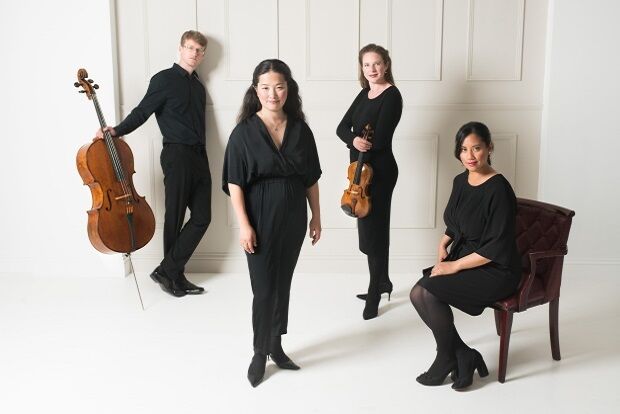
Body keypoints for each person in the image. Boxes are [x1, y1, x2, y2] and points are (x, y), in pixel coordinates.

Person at [222, 59, 322, 387]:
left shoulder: (300, 129)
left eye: (278, 86)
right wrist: (245, 225)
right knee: (263, 289)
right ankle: (258, 351)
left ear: (288, 89)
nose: (272, 93)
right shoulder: (244, 132)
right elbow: (235, 182)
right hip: (259, 216)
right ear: (255, 91)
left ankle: (277, 346)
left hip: (294, 215)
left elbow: (311, 178)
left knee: (282, 284)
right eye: (265, 87)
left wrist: (316, 216)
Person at [97, 30, 211, 297]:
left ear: (203, 55)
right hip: (177, 155)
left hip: (199, 156)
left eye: (199, 50)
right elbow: (142, 111)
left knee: (203, 217)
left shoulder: (199, 87)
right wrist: (116, 130)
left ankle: (168, 270)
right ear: (181, 48)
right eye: (190, 48)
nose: (195, 53)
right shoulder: (164, 80)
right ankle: (174, 275)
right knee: (174, 217)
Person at [410, 122, 521, 390]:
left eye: (477, 148)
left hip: (497, 268)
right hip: (466, 257)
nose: (470, 156)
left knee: (426, 292)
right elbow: (455, 222)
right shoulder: (461, 180)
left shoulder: (499, 189)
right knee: (418, 293)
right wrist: (443, 245)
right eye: (463, 149)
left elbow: (496, 246)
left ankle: (447, 355)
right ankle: (461, 353)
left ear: (490, 148)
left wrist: (454, 267)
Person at [336, 44, 403, 320]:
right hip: (359, 174)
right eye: (366, 65)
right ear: (361, 68)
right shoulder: (364, 94)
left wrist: (364, 141)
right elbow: (341, 128)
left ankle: (375, 292)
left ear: (386, 65)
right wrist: (353, 139)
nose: (372, 69)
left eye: (377, 64)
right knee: (368, 227)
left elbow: (383, 139)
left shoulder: (392, 96)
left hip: (380, 172)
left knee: (374, 230)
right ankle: (383, 281)